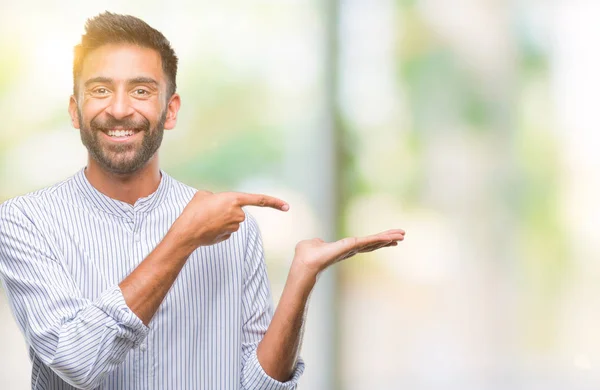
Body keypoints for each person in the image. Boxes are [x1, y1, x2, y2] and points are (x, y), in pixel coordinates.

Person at [0, 12, 405, 390]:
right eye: (100, 90)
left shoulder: (233, 226)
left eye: (141, 90)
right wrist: (183, 238)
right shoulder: (25, 221)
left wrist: (301, 278)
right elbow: (77, 360)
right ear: (75, 110)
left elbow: (257, 384)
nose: (120, 109)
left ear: (169, 110)